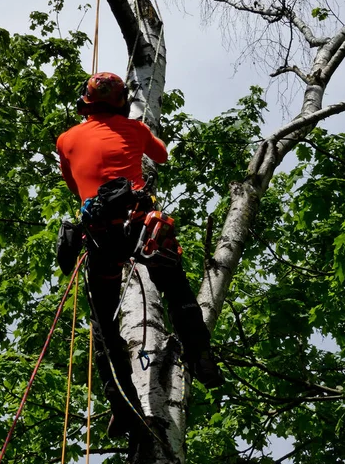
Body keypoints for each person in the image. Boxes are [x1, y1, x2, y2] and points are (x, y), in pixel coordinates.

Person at [56, 72, 223, 439]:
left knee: (104, 328)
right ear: (121, 101)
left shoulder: (66, 139)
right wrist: (139, 131)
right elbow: (161, 156)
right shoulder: (135, 130)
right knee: (177, 290)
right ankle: (201, 357)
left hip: (100, 237)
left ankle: (121, 403)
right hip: (140, 225)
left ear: (86, 101)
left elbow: (73, 185)